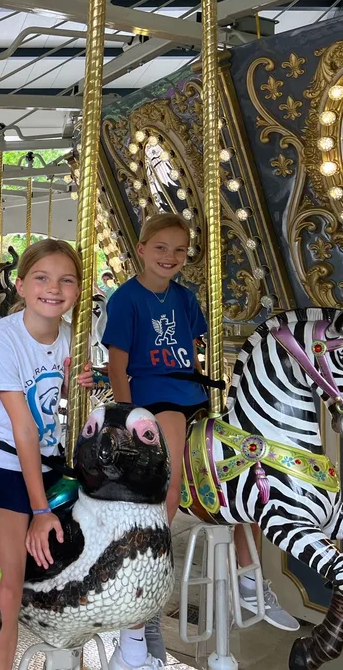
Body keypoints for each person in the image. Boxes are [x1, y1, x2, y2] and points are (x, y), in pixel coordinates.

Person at [103, 213, 297, 670]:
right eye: (161, 248)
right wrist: (129, 417)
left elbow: (195, 352)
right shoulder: (126, 300)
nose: (170, 257)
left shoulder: (186, 298)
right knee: (168, 491)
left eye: (179, 250)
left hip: (193, 396)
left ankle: (250, 581)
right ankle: (141, 574)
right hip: (155, 401)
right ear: (142, 249)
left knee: (241, 472)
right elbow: (117, 364)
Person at [0, 239, 94, 670]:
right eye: (41, 278)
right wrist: (39, 510)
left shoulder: (70, 338)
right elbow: (22, 427)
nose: (53, 288)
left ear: (78, 290)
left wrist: (82, 383)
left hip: (49, 460)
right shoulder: (2, 339)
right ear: (20, 286)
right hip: (2, 464)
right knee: (6, 584)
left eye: (66, 280)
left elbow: (59, 410)